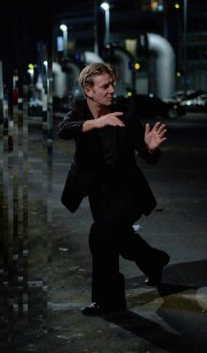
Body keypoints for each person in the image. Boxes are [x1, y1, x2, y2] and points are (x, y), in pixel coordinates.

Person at [58, 62, 169, 316]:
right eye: (105, 86)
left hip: (130, 192)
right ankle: (153, 260)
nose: (111, 91)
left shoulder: (125, 113)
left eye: (112, 85)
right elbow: (63, 130)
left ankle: (108, 301)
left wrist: (151, 148)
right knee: (120, 239)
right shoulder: (78, 110)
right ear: (88, 90)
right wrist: (95, 123)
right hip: (99, 193)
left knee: (100, 235)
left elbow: (146, 154)